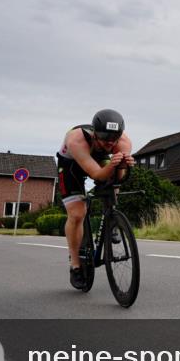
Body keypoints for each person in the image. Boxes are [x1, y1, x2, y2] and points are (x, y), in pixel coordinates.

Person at [57, 109, 135, 289]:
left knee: (113, 179)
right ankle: (75, 264)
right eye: (105, 139)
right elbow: (97, 174)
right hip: (71, 166)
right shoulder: (76, 139)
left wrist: (123, 165)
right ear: (95, 134)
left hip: (99, 160)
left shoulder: (123, 141)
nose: (109, 143)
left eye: (113, 140)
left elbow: (118, 176)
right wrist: (114, 164)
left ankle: (112, 222)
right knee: (77, 214)